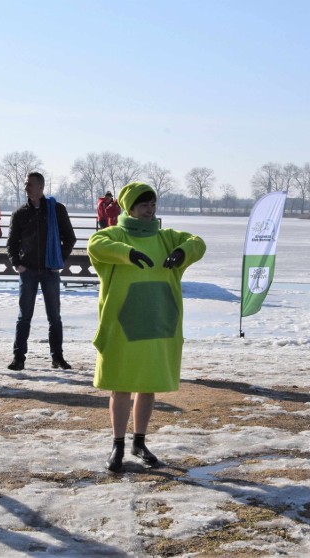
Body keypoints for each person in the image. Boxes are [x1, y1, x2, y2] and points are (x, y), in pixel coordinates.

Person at [87, 182, 206, 472]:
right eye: (143, 205)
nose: (149, 210)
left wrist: (182, 252)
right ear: (130, 207)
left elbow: (197, 242)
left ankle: (139, 442)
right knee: (121, 386)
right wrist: (127, 253)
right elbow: (96, 244)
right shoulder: (115, 234)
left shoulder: (166, 237)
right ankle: (117, 446)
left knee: (148, 386)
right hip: (122, 327)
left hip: (157, 323)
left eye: (152, 204)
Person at [6, 171, 77, 371]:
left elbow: (70, 238)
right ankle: (18, 358)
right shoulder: (20, 213)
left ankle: (57, 358)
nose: (25, 188)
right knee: (24, 316)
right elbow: (11, 242)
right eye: (25, 184)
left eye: (29, 184)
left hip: (50, 272)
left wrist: (59, 260)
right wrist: (16, 263)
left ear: (40, 187)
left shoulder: (56, 210)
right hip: (27, 271)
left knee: (54, 317)